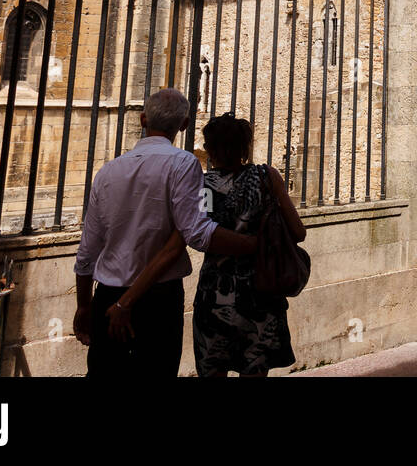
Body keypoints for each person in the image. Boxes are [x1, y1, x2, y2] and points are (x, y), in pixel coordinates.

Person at [72, 88, 257, 377]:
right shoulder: (183, 163)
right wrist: (254, 245)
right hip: (160, 301)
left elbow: (86, 253)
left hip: (107, 297)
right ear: (184, 125)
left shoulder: (108, 171)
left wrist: (84, 306)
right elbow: (196, 232)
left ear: (143, 119)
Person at [120, 111, 306, 377]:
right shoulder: (267, 178)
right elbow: (298, 233)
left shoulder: (203, 187)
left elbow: (195, 233)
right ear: (245, 146)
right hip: (260, 295)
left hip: (214, 296)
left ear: (209, 149)